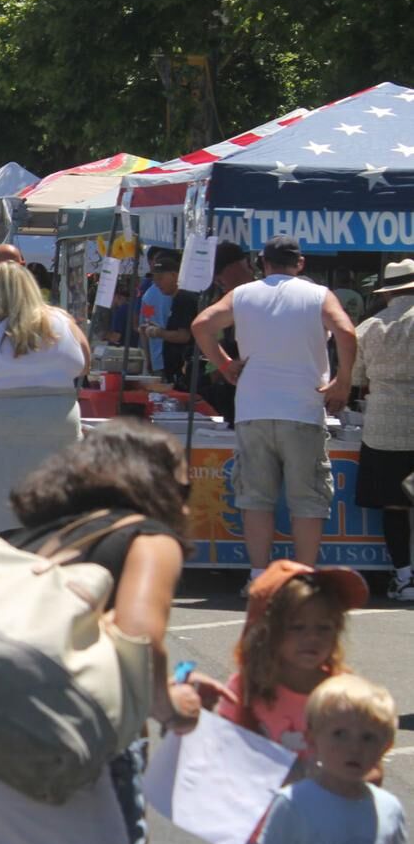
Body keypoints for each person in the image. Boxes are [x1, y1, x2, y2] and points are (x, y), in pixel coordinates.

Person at [0, 420, 208, 844]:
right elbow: (140, 637)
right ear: (158, 487)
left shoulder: (29, 536)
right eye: (183, 489)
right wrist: (174, 706)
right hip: (28, 731)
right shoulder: (149, 536)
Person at [192, 235, 357, 588]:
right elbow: (346, 332)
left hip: (253, 408)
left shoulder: (243, 294)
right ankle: (304, 578)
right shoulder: (318, 295)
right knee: (308, 500)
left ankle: (258, 575)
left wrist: (224, 364)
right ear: (299, 264)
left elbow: (201, 325)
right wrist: (343, 382)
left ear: (262, 263)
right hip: (302, 408)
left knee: (256, 498)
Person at [0, 260, 89, 543]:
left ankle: (11, 542)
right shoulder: (63, 321)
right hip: (59, 416)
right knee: (59, 489)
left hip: (6, 420)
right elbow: (85, 365)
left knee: (6, 498)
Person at [210, 560, 368, 771]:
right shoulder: (245, 689)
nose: (312, 637)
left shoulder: (344, 691)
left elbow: (371, 763)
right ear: (265, 633)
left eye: (324, 627)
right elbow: (223, 757)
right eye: (297, 627)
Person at [253, 675, 406, 844]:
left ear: (386, 746)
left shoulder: (390, 809)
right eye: (339, 734)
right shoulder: (292, 804)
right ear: (311, 739)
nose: (354, 748)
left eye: (368, 737)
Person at [352, 258, 414, 599]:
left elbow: (357, 379)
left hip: (384, 427)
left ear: (388, 292)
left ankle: (404, 577)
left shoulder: (368, 328)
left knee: (395, 506)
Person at [147, 241, 252, 416]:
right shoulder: (213, 295)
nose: (217, 280)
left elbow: (194, 331)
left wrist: (223, 366)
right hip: (222, 382)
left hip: (245, 383)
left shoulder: (249, 296)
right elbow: (208, 333)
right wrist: (220, 366)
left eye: (220, 273)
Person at [139, 252, 180, 374]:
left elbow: (143, 327)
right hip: (174, 359)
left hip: (157, 358)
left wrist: (149, 359)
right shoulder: (176, 293)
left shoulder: (148, 295)